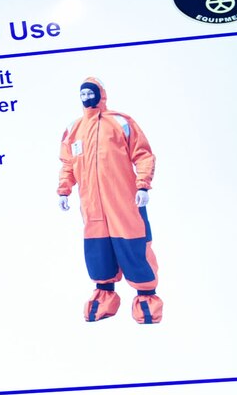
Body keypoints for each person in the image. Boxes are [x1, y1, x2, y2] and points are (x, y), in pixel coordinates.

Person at [57, 76, 161, 323]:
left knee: (134, 248)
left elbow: (143, 154)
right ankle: (104, 297)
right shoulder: (74, 129)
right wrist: (64, 190)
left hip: (124, 203)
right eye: (82, 95)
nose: (86, 98)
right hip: (92, 207)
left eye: (90, 93)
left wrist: (143, 185)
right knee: (98, 252)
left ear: (100, 94)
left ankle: (147, 299)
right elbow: (68, 164)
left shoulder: (120, 122)